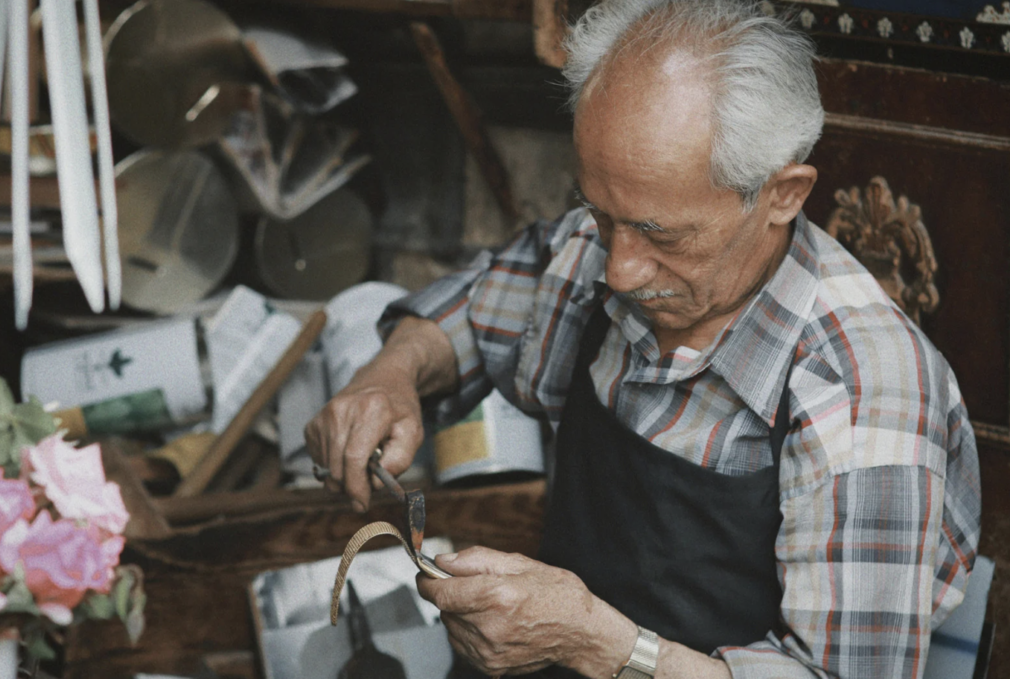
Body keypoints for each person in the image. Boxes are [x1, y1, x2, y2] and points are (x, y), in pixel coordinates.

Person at [305, 1, 981, 677]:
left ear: (783, 194)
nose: (621, 268)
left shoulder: (863, 396)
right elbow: (482, 304)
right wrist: (394, 371)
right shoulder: (602, 246)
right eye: (602, 215)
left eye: (662, 234)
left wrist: (603, 646)